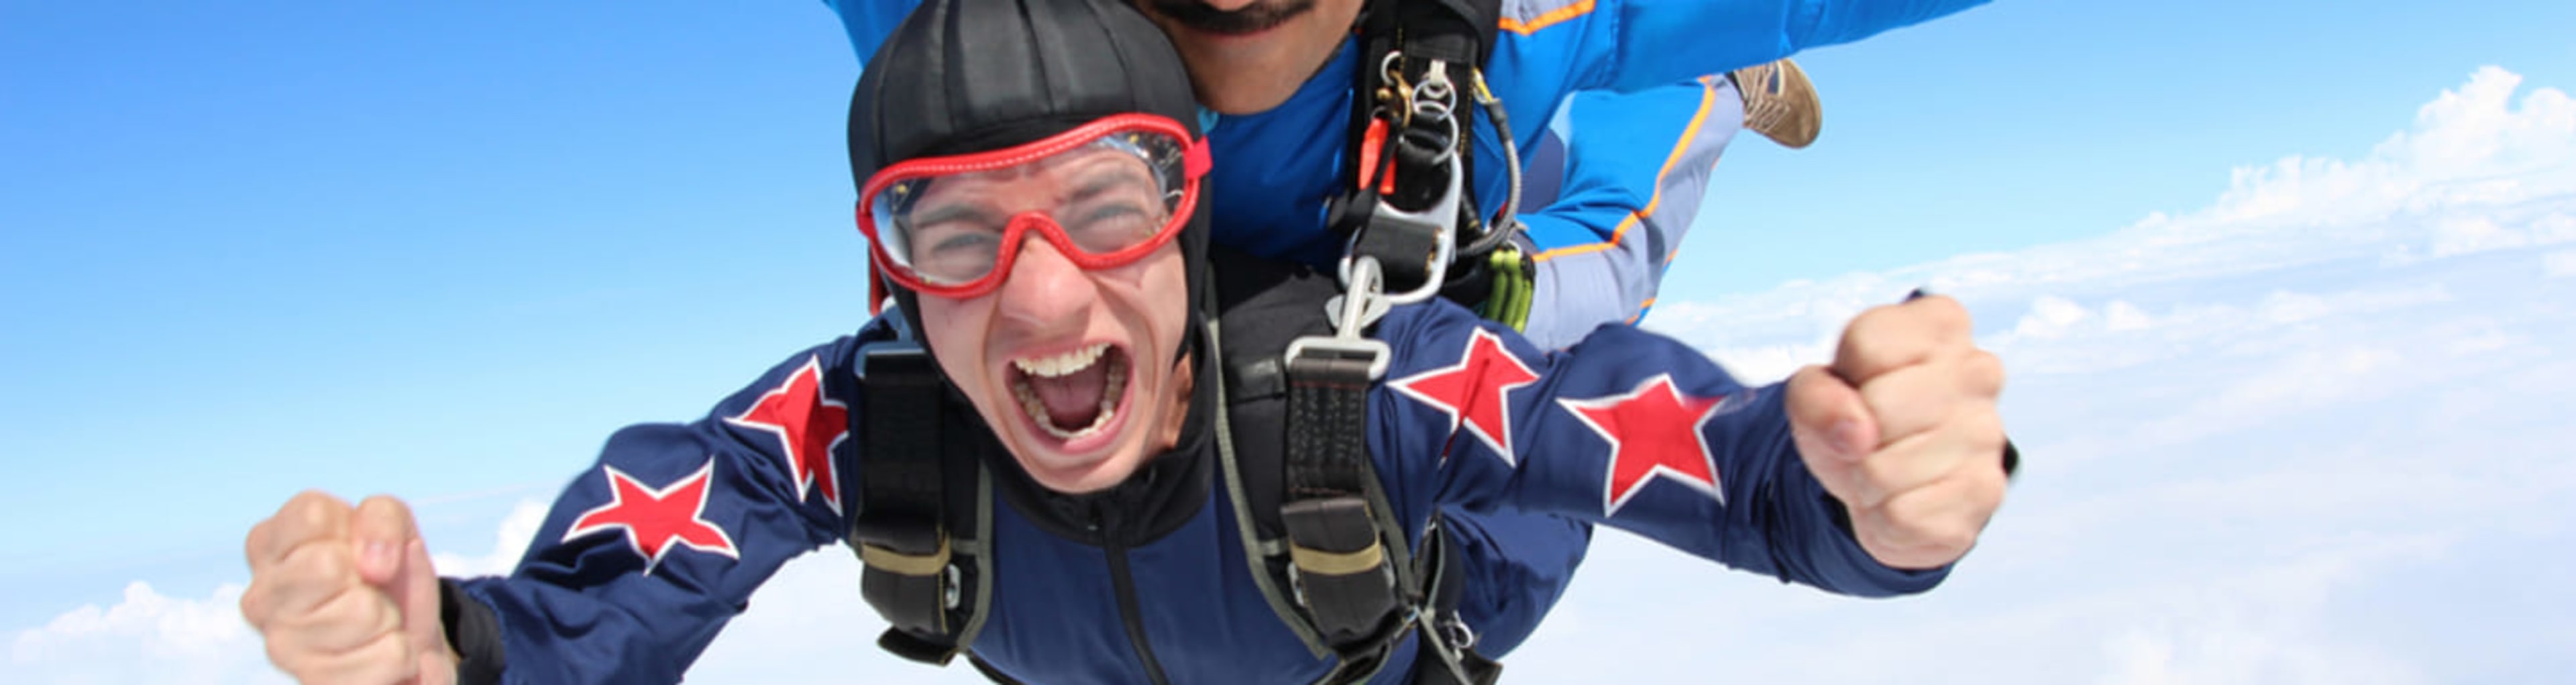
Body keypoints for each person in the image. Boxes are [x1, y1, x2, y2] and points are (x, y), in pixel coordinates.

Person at [237, 0, 2011, 682]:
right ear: (894, 271)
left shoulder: (1393, 393)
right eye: (954, 232)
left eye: (1102, 208)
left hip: (1445, 266)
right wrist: (453, 649)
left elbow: (1644, 430)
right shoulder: (889, 419)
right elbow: (624, 579)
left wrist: (1863, 488)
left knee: (1584, 250)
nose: (1036, 300)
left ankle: (1709, 87)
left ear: (1176, 198)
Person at [814, 0, 1994, 658]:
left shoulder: (1514, 18)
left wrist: (1857, 501)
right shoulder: (970, 42)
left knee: (1608, 255)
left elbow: (1723, 477)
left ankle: (1716, 85)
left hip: (1446, 323)